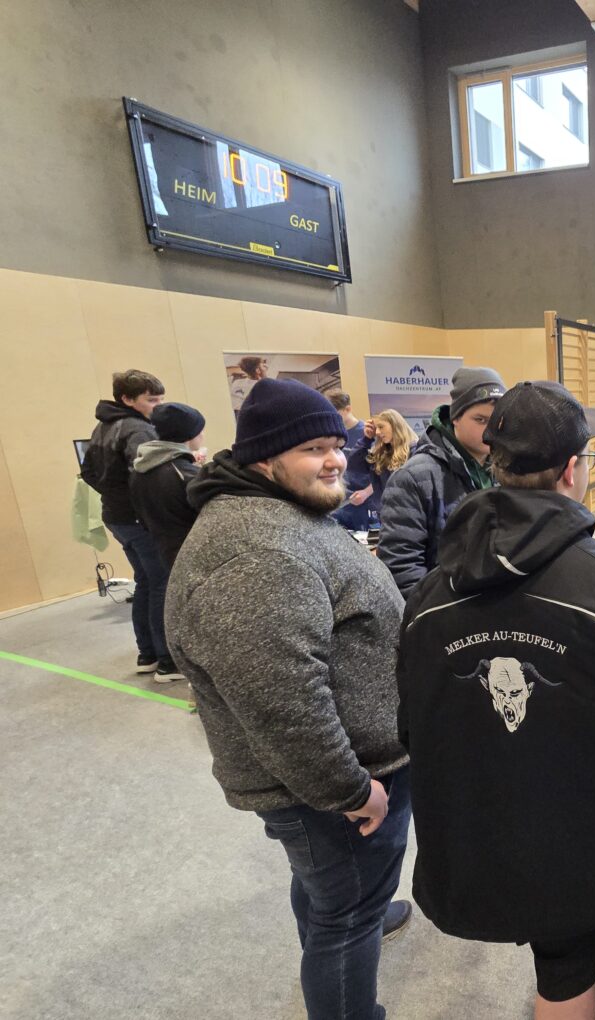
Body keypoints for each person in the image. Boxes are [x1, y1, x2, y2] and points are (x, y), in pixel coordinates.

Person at [397, 381, 595, 1020]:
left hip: (513, 835)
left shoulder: (427, 600)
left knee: (560, 963)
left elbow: (417, 730)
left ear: (493, 464)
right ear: (571, 471)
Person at [165, 378, 412, 1020]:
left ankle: (359, 907)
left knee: (332, 896)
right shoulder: (259, 551)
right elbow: (283, 702)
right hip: (329, 788)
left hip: (337, 777)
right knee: (344, 919)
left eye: (336, 443)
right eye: (312, 449)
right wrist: (352, 790)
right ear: (264, 459)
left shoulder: (284, 515)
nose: (335, 459)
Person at [81, 369, 177, 680]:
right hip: (139, 520)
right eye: (151, 400)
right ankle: (167, 661)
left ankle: (147, 654)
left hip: (117, 518)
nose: (158, 405)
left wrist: (116, 497)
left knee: (147, 582)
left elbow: (88, 473)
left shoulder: (103, 426)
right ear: (127, 399)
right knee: (161, 582)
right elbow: (149, 474)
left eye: (161, 398)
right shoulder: (138, 430)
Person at [378, 367, 505, 597]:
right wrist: (437, 620)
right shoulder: (413, 478)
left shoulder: (505, 471)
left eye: (497, 421)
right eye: (480, 420)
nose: (491, 430)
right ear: (455, 417)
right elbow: (401, 568)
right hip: (444, 618)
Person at [129, 402, 208, 572]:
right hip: (194, 553)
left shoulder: (139, 469)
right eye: (200, 430)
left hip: (165, 549)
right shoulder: (184, 474)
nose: (203, 434)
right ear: (188, 434)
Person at [357, 409, 417, 514]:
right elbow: (354, 466)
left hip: (411, 517)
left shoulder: (415, 452)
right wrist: (366, 439)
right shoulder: (381, 454)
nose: (377, 432)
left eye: (381, 427)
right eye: (376, 428)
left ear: (395, 425)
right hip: (386, 517)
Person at [330, 391, 375, 531]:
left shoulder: (368, 434)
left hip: (364, 504)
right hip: (341, 505)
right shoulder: (332, 434)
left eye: (335, 413)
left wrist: (366, 492)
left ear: (348, 409)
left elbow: (384, 472)